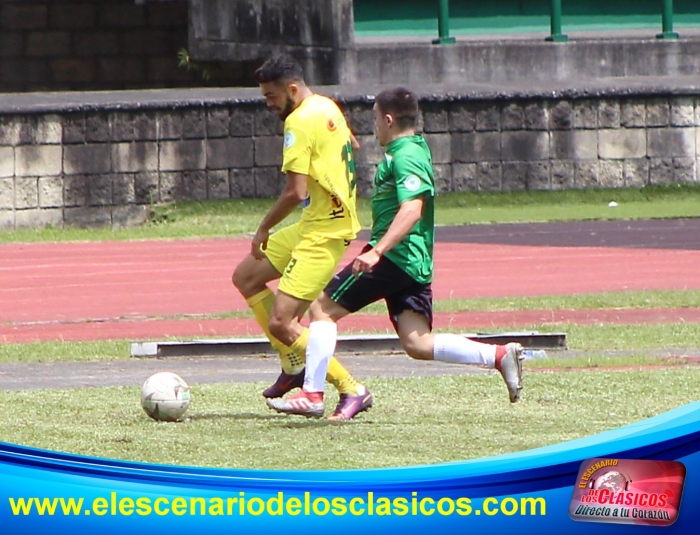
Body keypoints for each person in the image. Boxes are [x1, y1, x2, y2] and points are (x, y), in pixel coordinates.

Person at [267, 87, 525, 420]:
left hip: (395, 258)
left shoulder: (406, 155)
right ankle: (500, 355)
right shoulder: (410, 148)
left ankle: (312, 394)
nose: (373, 126)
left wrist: (377, 251)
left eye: (375, 118)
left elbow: (412, 209)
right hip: (412, 261)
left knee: (320, 309)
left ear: (388, 119)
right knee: (417, 343)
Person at [231, 54, 372, 417]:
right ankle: (294, 365)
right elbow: (352, 145)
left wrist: (263, 227)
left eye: (271, 96)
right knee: (246, 277)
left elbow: (295, 192)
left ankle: (351, 388)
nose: (269, 104)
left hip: (325, 233)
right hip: (316, 222)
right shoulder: (327, 105)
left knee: (282, 322)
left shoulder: (297, 121)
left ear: (292, 89)